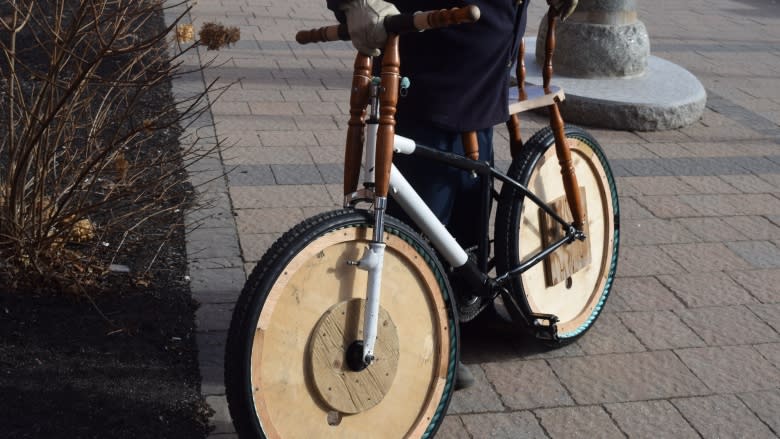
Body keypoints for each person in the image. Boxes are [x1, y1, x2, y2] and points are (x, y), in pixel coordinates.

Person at [326, 0, 578, 390]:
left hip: (485, 59)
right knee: (419, 217)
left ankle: (464, 311)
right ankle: (414, 332)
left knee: (470, 195)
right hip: (429, 50)